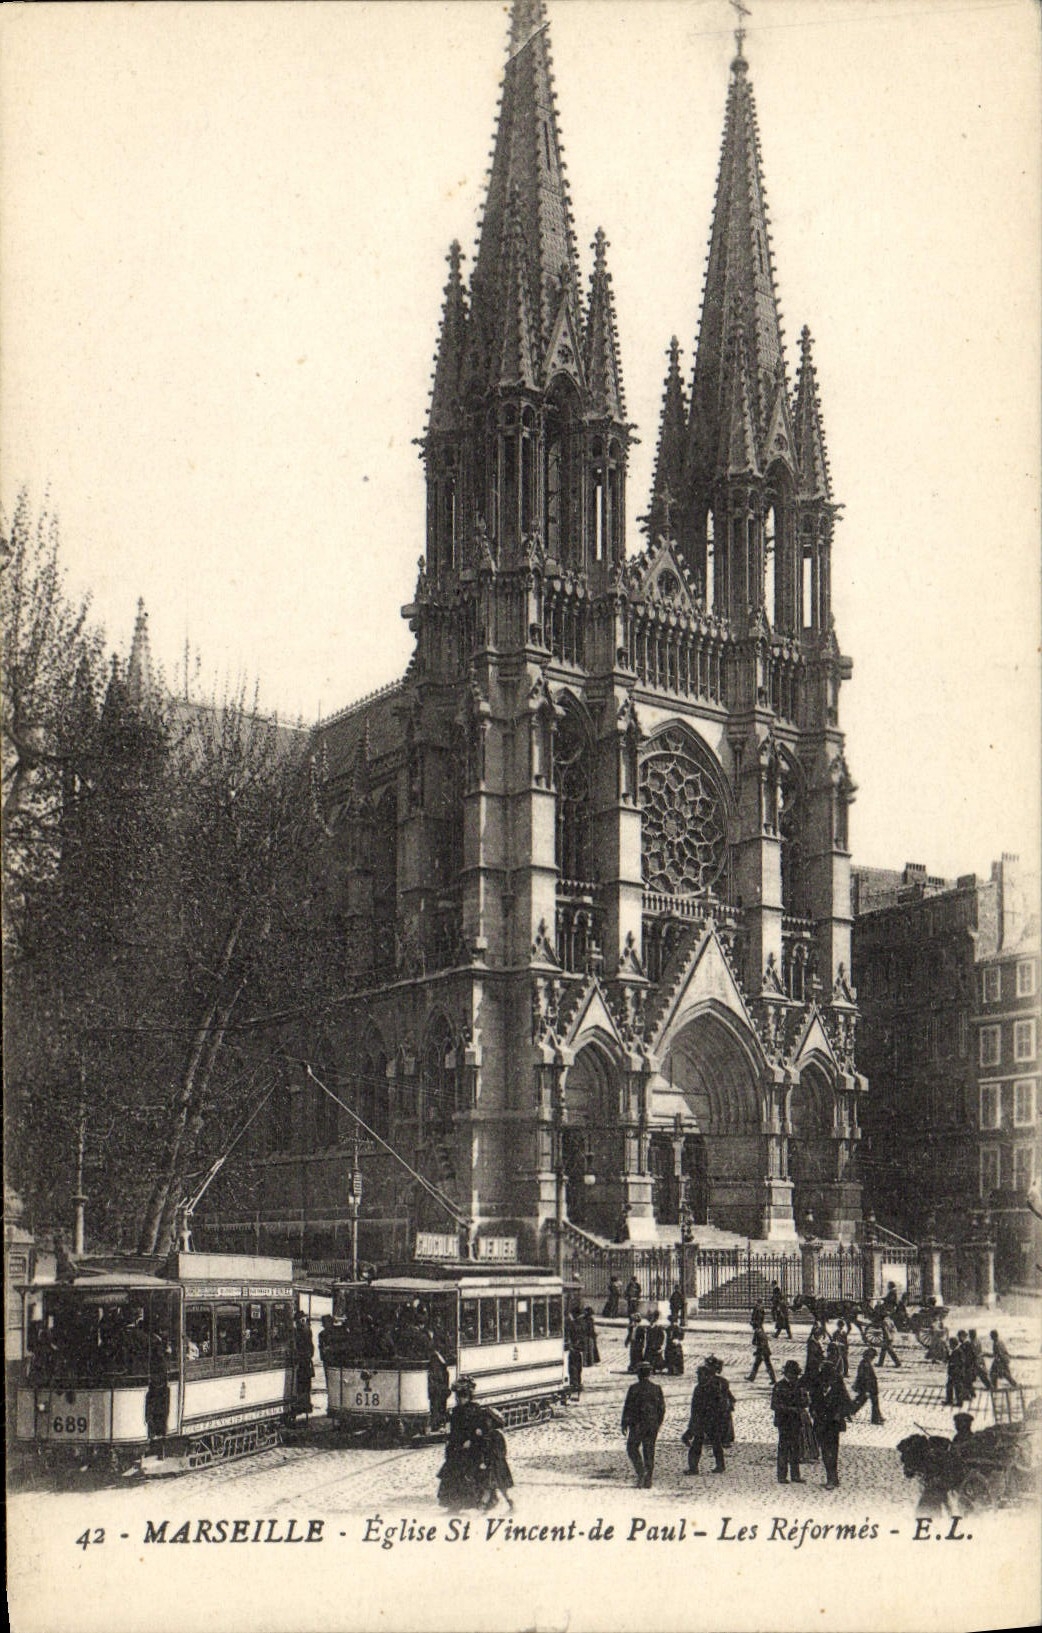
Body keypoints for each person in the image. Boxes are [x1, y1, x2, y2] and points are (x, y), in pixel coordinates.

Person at [438, 1377, 487, 1510]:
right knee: (452, 1477)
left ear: (469, 1396)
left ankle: (474, 1503)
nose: (459, 1399)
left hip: (469, 1449)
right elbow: (454, 1429)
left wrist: (471, 1440)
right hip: (455, 1447)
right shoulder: (456, 1411)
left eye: (462, 1396)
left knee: (466, 1477)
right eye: (458, 1396)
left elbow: (479, 1430)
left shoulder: (474, 1410)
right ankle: (453, 1506)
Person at [683, 1355, 735, 1475]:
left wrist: (693, 1426)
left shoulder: (707, 1387)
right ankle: (716, 1466)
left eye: (700, 1375)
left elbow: (700, 1408)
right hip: (710, 1420)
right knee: (711, 1443)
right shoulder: (713, 1384)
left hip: (708, 1420)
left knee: (703, 1443)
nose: (698, 1377)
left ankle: (696, 1468)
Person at [810, 1355, 853, 1490]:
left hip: (833, 1423)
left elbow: (846, 1402)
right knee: (825, 1451)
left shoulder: (838, 1384)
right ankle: (832, 1477)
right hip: (821, 1423)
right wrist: (813, 1412)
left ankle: (832, 1478)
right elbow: (813, 1402)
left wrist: (839, 1414)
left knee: (832, 1451)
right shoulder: (817, 1383)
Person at [621, 1360, 666, 1489]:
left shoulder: (634, 1388)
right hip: (652, 1425)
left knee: (632, 1448)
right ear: (650, 1373)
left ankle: (641, 1472)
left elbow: (627, 1407)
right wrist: (658, 1423)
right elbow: (662, 1408)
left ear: (638, 1374)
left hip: (637, 1425)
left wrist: (624, 1423)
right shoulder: (656, 1388)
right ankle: (648, 1480)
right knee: (649, 1450)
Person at [771, 1360, 808, 1485]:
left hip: (796, 1421)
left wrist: (805, 1399)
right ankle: (781, 1476)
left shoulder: (798, 1385)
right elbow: (775, 1405)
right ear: (787, 1373)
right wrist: (790, 1409)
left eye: (796, 1375)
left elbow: (805, 1402)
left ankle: (795, 1475)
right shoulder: (779, 1386)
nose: (795, 1377)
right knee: (784, 1448)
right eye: (793, 1375)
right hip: (784, 1421)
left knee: (796, 1448)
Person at [850, 1345, 884, 1424]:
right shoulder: (865, 1364)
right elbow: (865, 1378)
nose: (873, 1359)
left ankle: (878, 1417)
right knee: (864, 1401)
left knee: (863, 1401)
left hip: (870, 1387)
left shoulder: (865, 1363)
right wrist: (867, 1390)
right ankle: (875, 1419)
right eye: (872, 1357)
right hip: (867, 1388)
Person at [293, 1311, 315, 1416]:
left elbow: (308, 1348)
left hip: (304, 1362)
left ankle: (304, 1405)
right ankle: (305, 1405)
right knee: (304, 1384)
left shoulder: (304, 1330)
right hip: (305, 1361)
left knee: (303, 1384)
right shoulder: (305, 1329)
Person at [427, 1349, 451, 1431]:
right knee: (438, 1400)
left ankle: (439, 1422)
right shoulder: (434, 1358)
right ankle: (436, 1423)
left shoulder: (438, 1358)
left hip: (440, 1385)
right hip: (436, 1386)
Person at [748, 1320, 777, 1385]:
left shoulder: (759, 1332)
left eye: (753, 1326)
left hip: (763, 1352)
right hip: (762, 1351)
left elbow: (762, 1344)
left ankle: (773, 1379)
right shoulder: (759, 1331)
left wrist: (758, 1351)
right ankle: (751, 1377)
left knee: (768, 1366)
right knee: (756, 1365)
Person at [644, 1309, 667, 1373]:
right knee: (649, 1356)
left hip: (656, 1345)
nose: (651, 1323)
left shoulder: (659, 1328)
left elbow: (662, 1337)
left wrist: (660, 1345)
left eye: (653, 1321)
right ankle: (650, 1367)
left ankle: (657, 1368)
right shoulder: (648, 1328)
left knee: (657, 1357)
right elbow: (647, 1336)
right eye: (650, 1322)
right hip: (649, 1345)